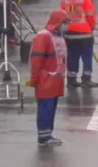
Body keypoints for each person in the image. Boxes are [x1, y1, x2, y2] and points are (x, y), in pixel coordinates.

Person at [29, 9, 70, 146]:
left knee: (51, 109)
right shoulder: (43, 37)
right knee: (45, 109)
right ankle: (44, 137)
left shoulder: (58, 36)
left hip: (55, 80)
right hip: (46, 80)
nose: (66, 25)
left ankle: (48, 135)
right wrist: (34, 79)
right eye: (64, 22)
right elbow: (37, 60)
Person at [59, 0, 98, 88]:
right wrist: (92, 27)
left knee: (72, 56)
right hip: (85, 33)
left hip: (69, 33)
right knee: (87, 56)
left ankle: (71, 79)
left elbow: (62, 15)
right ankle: (86, 79)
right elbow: (90, 15)